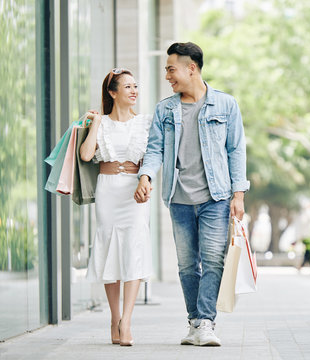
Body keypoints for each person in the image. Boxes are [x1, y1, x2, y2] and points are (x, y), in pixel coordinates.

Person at [134, 42, 250, 347]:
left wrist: (238, 195)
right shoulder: (165, 109)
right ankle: (195, 321)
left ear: (191, 68)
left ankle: (205, 322)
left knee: (213, 260)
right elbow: (155, 148)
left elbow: (236, 150)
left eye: (171, 69)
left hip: (216, 197)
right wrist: (146, 175)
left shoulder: (226, 105)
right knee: (187, 265)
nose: (168, 76)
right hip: (179, 198)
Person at [81, 68, 153, 346]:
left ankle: (127, 321)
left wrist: (146, 181)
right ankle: (114, 317)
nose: (134, 91)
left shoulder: (145, 122)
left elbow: (153, 158)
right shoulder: (101, 123)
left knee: (133, 251)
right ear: (112, 93)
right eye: (127, 87)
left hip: (134, 194)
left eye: (136, 86)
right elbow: (87, 155)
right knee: (110, 250)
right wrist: (96, 124)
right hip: (109, 191)